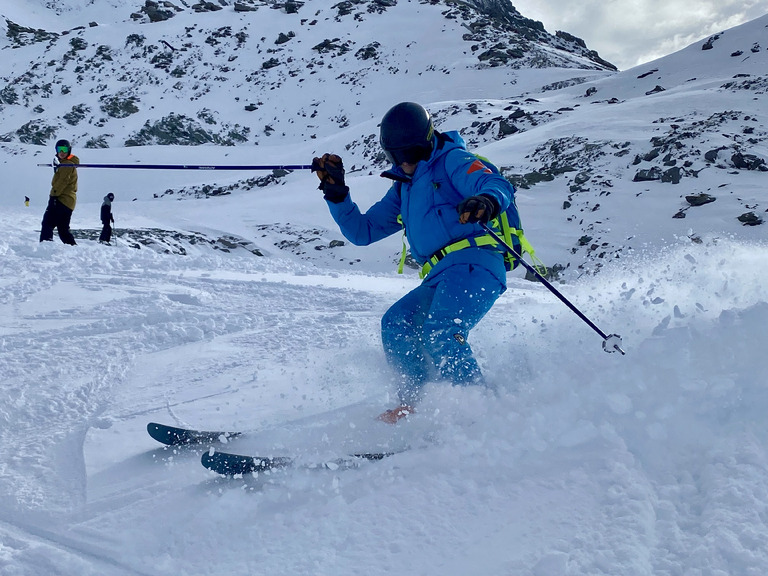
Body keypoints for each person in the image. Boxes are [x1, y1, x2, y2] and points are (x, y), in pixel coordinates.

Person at [312, 102, 518, 423]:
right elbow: (362, 231)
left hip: (476, 263)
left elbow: (496, 184)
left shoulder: (452, 160)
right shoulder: (403, 189)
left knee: (441, 331)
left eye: (413, 151)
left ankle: (481, 414)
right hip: (438, 275)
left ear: (427, 140)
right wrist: (336, 192)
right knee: (396, 323)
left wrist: (486, 200)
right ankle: (415, 406)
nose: (406, 161)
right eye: (398, 156)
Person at [40, 139, 79, 245]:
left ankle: (46, 246)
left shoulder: (66, 165)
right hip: (69, 201)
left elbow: (62, 182)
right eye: (59, 149)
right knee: (63, 229)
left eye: (65, 149)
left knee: (47, 223)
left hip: (61, 199)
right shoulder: (66, 163)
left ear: (69, 150)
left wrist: (53, 196)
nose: (62, 152)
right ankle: (73, 248)